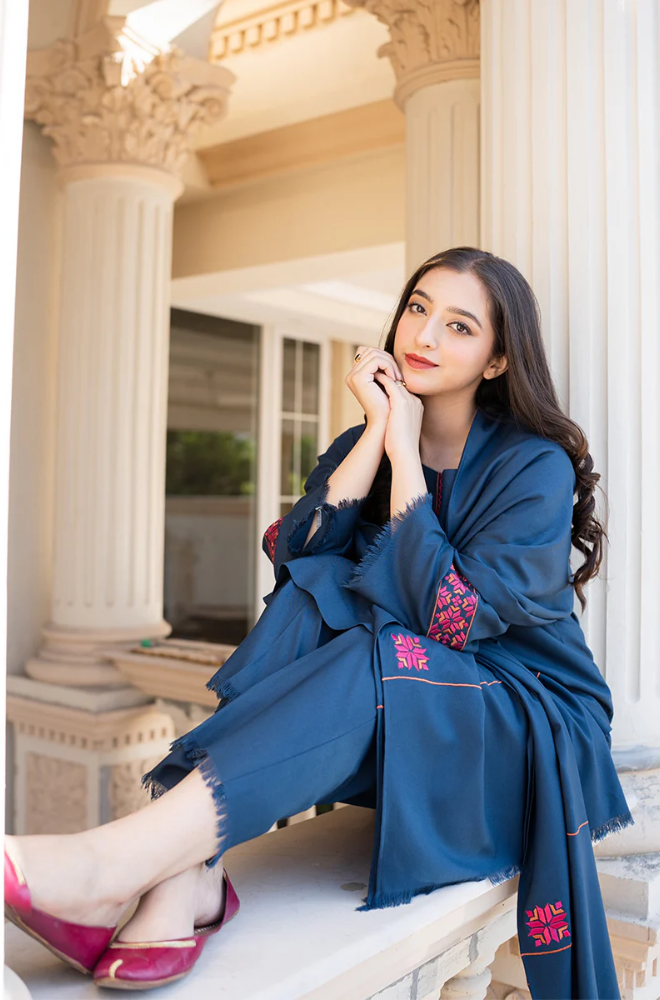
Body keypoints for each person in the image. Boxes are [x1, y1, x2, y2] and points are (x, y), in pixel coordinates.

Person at [5, 247, 631, 999]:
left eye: (459, 327)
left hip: (522, 716)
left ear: (497, 361)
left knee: (382, 642)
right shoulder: (367, 438)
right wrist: (376, 434)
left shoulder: (534, 466)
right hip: (414, 706)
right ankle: (189, 872)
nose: (425, 335)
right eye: (418, 308)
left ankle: (111, 868)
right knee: (317, 587)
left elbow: (453, 617)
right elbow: (298, 557)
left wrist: (404, 451)